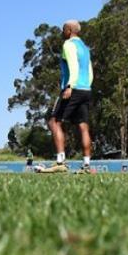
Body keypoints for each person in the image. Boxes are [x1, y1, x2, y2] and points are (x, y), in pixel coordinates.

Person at [42, 20, 95, 174]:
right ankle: (86, 165)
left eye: (63, 29)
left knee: (54, 122)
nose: (62, 32)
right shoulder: (85, 48)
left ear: (70, 30)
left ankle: (60, 162)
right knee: (83, 126)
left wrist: (70, 86)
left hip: (73, 88)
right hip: (86, 89)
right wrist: (87, 86)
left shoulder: (68, 45)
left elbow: (73, 66)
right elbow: (90, 71)